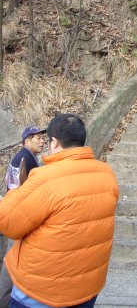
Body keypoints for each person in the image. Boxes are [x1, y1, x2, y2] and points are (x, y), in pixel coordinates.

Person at [0, 113, 119, 308]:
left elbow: (8, 224)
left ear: (54, 142)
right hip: (87, 288)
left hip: (43, 291)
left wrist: (16, 191)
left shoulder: (45, 178)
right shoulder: (107, 174)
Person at [0, 126, 46, 308]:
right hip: (17, 216)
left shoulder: (27, 157)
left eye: (43, 138)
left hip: (18, 215)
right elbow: (16, 190)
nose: (42, 141)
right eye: (37, 138)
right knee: (12, 261)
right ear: (26, 141)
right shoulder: (23, 158)